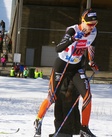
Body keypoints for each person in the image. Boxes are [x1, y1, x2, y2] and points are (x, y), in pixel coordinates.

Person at [34, 9, 99, 137]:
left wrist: (91, 62)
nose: (92, 27)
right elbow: (58, 48)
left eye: (95, 24)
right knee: (52, 97)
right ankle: (38, 120)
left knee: (87, 96)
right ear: (82, 21)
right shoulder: (73, 30)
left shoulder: (94, 32)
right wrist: (73, 39)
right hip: (62, 64)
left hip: (76, 67)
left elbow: (91, 45)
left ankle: (84, 128)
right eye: (90, 24)